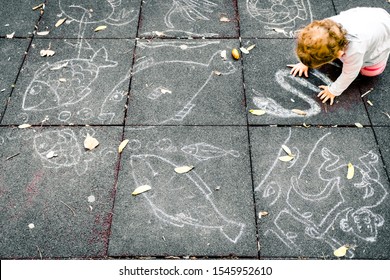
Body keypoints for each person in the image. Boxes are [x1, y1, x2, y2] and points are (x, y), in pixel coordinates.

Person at [288, 7, 390, 105]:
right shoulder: (325, 27)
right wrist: (305, 62)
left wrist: (333, 91)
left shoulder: (355, 50)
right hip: (372, 16)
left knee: (369, 72)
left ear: (339, 54)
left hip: (383, 32)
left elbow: (350, 74)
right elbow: (311, 47)